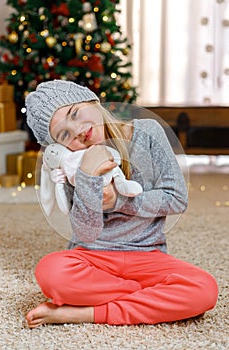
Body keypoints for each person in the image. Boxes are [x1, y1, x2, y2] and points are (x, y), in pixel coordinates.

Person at [25, 80, 218, 328]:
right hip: (93, 257)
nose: (76, 130)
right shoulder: (70, 165)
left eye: (75, 113)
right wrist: (85, 178)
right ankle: (149, 297)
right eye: (63, 134)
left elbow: (176, 198)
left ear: (93, 100)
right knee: (50, 272)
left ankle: (84, 312)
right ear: (59, 146)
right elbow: (85, 232)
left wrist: (119, 201)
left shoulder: (148, 132)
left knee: (205, 290)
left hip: (147, 254)